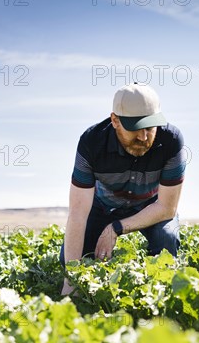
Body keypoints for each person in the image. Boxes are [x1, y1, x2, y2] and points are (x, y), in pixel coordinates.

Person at [60, 83, 186, 295]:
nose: (144, 137)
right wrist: (71, 281)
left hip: (151, 205)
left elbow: (166, 207)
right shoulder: (91, 142)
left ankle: (160, 294)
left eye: (150, 127)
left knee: (167, 238)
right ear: (115, 120)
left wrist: (116, 228)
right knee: (69, 257)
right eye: (136, 128)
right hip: (103, 207)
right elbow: (78, 213)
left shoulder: (172, 141)